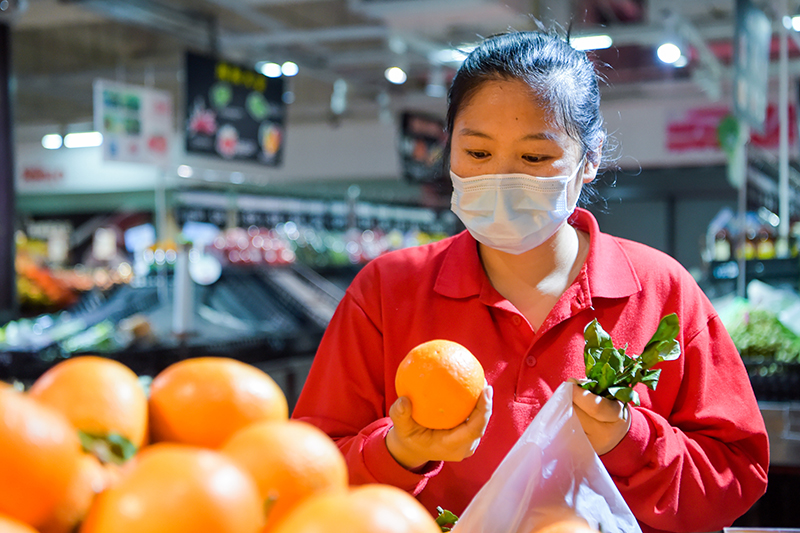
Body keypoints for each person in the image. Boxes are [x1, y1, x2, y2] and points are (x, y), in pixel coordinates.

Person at [292, 29, 769, 533]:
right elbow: (306, 472)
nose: (500, 179)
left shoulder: (660, 292)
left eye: (535, 158)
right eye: (477, 154)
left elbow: (737, 474)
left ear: (590, 159)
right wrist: (397, 453)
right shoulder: (387, 291)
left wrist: (630, 440)